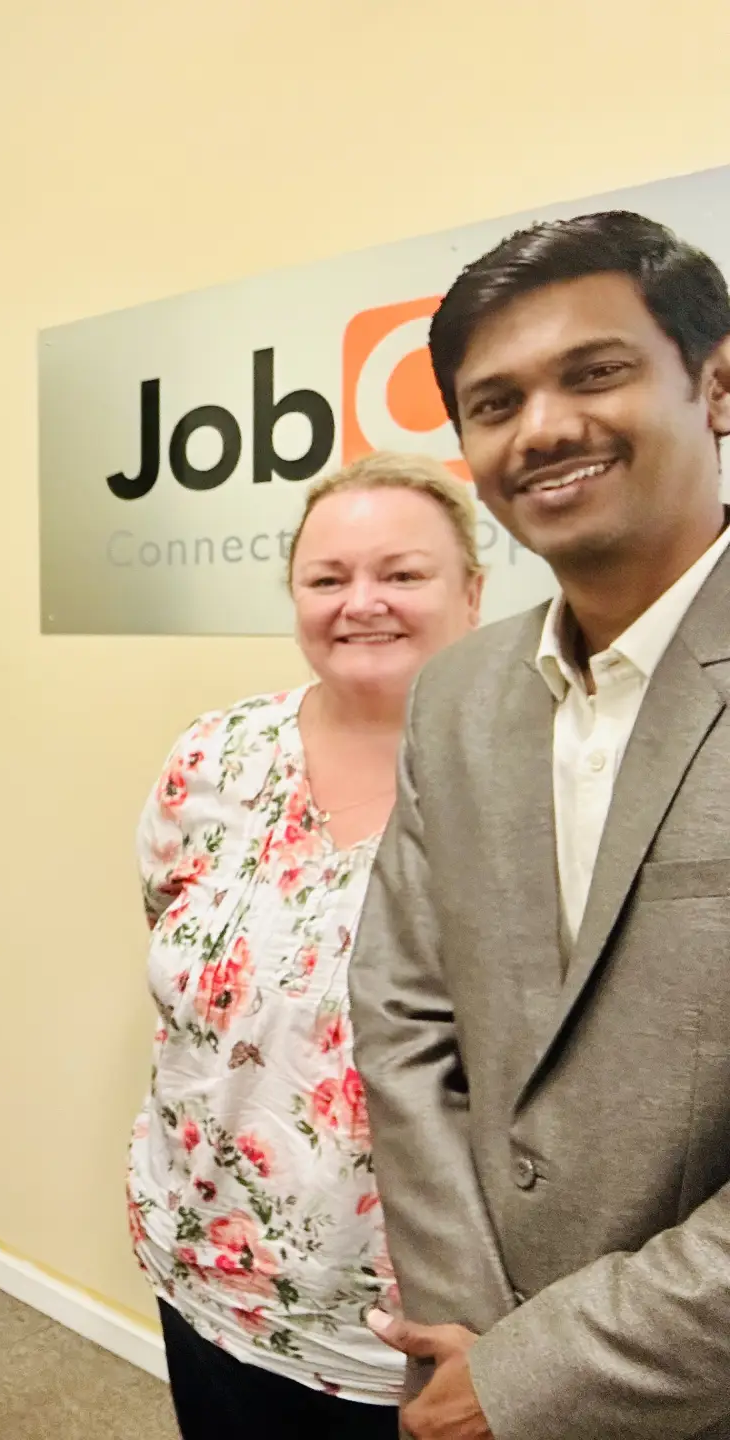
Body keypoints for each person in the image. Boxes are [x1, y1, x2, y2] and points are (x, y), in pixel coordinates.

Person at [352, 211, 730, 1440]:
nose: (545, 428)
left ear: (717, 385)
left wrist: (538, 1374)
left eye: (595, 372)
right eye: (496, 402)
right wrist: (471, 1335)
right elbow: (403, 1014)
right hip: (466, 1349)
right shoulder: (459, 694)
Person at [128, 451, 484, 1439]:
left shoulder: (527, 773)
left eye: (401, 573)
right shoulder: (216, 755)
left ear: (472, 592)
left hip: (406, 1327)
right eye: (328, 578)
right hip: (202, 1265)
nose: (361, 602)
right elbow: (177, 946)